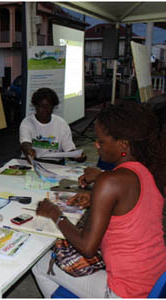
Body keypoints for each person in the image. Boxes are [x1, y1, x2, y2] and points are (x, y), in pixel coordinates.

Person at [32, 103, 166, 298]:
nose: (96, 145)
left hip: (126, 291)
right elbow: (130, 210)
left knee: (42, 264)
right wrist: (96, 199)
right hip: (153, 277)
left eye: (101, 141)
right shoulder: (147, 172)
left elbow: (87, 247)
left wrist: (54, 213)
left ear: (123, 144)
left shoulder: (109, 181)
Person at [20, 87, 86, 164]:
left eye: (49, 106)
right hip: (32, 162)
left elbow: (69, 150)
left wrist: (77, 156)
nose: (45, 109)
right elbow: (25, 143)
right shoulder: (27, 122)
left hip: (54, 163)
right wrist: (28, 150)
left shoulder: (61, 124)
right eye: (42, 106)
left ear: (53, 107)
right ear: (35, 106)